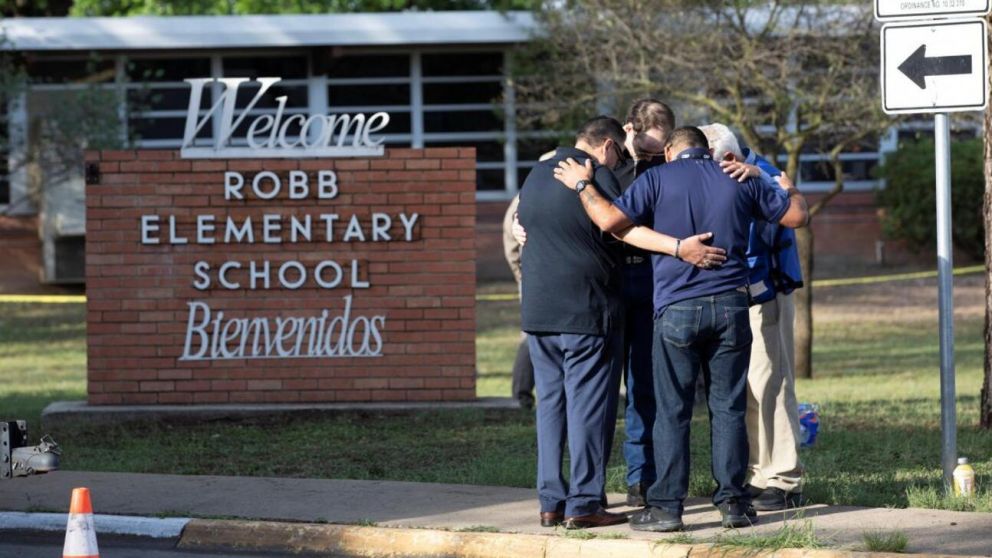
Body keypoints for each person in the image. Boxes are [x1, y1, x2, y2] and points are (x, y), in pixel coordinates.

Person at [552, 126, 808, 531]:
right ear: (708, 151)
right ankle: (734, 504)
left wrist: (582, 183)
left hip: (675, 309)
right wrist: (788, 188)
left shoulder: (655, 178)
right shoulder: (738, 176)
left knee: (672, 411)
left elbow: (609, 220)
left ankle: (668, 508)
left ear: (670, 152)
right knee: (729, 408)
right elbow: (796, 216)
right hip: (731, 307)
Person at [519, 117, 725, 530]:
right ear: (609, 147)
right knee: (589, 408)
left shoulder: (534, 175)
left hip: (538, 312)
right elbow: (623, 226)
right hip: (586, 310)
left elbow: (523, 227)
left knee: (551, 407)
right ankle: (584, 502)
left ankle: (549, 501)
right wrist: (678, 248)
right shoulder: (598, 176)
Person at [699, 123, 805, 511]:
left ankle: (783, 479)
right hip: (733, 296)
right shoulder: (735, 169)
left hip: (765, 294)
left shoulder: (763, 175)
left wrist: (766, 182)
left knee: (770, 384)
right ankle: (757, 472)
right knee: (744, 389)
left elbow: (790, 217)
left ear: (727, 158)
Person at [502, 194, 535, 409]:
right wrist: (521, 275)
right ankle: (521, 394)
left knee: (530, 335)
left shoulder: (528, 193)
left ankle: (520, 394)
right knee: (530, 337)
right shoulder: (526, 195)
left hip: (531, 274)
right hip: (533, 276)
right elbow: (510, 236)